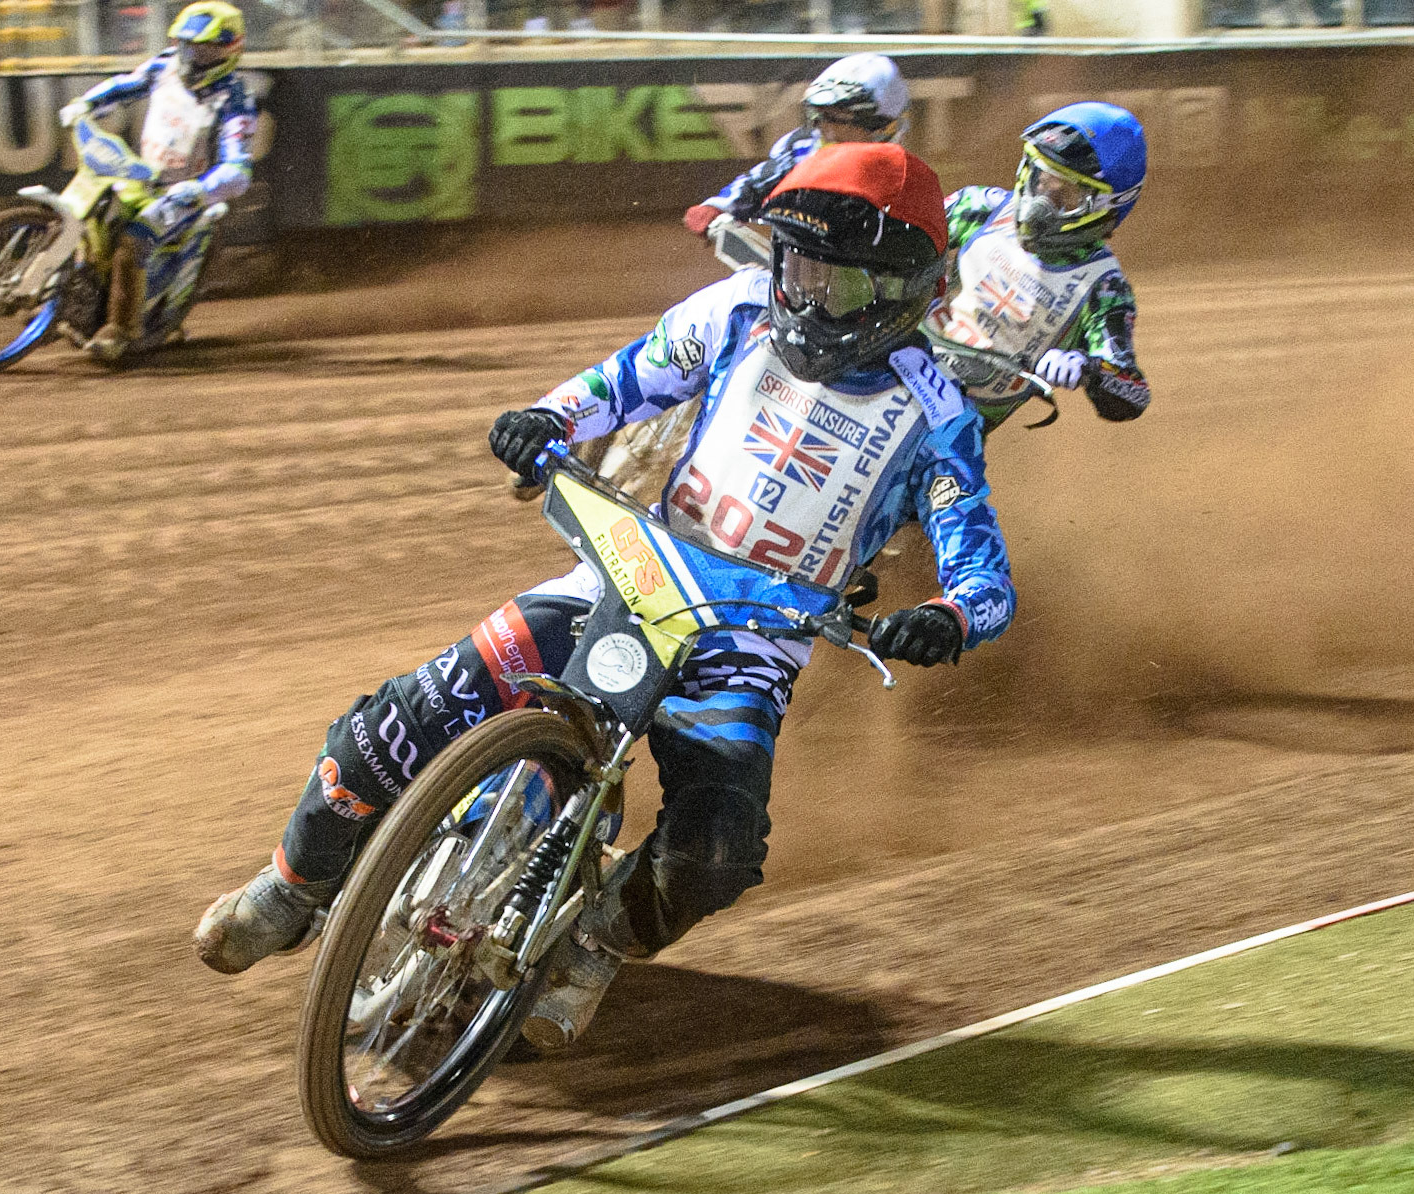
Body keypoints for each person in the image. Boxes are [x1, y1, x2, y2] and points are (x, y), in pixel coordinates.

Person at [194, 145, 1016, 1052]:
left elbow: (977, 562)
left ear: (909, 291)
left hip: (754, 639)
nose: (808, 295)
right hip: (630, 566)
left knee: (716, 851)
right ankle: (290, 886)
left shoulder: (938, 415)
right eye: (797, 265)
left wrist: (950, 615)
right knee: (401, 716)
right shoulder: (739, 308)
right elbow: (622, 380)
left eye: (841, 285)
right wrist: (548, 417)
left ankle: (594, 942)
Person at [924, 102, 1150, 429]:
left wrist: (1089, 369)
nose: (1040, 206)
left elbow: (1133, 391)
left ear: (1107, 207)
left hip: (952, 433)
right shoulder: (978, 208)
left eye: (1066, 196)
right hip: (886, 375)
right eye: (1041, 180)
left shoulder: (1103, 287)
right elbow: (896, 244)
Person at [56, 0, 254, 362]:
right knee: (93, 220)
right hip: (142, 176)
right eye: (190, 46)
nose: (195, 56)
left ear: (229, 51)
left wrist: (199, 190)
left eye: (207, 49)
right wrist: (85, 105)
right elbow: (123, 86)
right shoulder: (164, 66)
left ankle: (119, 330)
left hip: (185, 195)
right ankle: (56, 301)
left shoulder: (234, 100)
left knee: (135, 239)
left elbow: (238, 168)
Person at [683, 52, 909, 239]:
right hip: (796, 270)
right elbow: (757, 182)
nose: (823, 127)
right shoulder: (803, 148)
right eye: (820, 115)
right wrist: (718, 206)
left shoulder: (904, 177)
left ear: (879, 126)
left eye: (836, 117)